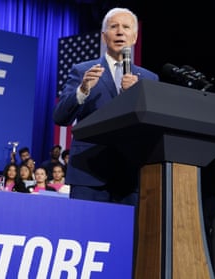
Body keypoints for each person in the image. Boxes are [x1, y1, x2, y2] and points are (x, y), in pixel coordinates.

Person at [53, 7, 159, 205]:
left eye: (126, 27)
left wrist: (139, 96)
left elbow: (153, 127)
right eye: (114, 27)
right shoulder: (83, 70)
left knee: (127, 236)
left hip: (131, 176)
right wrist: (83, 89)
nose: (120, 32)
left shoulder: (149, 79)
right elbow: (60, 117)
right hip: (88, 174)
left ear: (134, 37)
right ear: (104, 36)